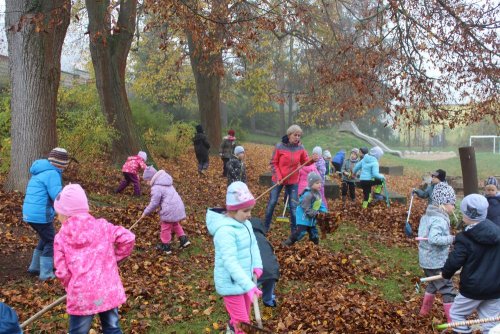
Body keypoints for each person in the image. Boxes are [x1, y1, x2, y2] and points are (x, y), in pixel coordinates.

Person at [53, 184, 135, 334]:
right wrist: (116, 257)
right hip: (107, 290)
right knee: (112, 328)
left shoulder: (61, 238)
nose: (57, 217)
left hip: (81, 296)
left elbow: (62, 271)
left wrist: (70, 285)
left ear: (65, 214)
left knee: (78, 331)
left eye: (58, 213)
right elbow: (128, 238)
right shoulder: (102, 226)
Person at [206, 182, 263, 334]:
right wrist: (249, 285)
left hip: (245, 280)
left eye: (251, 210)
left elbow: (253, 246)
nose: (249, 214)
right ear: (232, 211)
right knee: (243, 324)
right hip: (231, 284)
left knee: (244, 318)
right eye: (246, 211)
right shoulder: (225, 232)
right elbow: (230, 263)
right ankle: (235, 329)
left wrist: (257, 265)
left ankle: (231, 327)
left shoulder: (245, 223)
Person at [442, 194, 500, 334]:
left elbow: (455, 260)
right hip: (496, 288)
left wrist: (445, 274)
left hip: (473, 289)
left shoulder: (465, 238)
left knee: (457, 315)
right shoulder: (498, 232)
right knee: (490, 322)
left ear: (466, 215)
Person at [23, 147, 69, 281]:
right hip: (40, 214)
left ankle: (35, 267)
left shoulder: (41, 170)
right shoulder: (52, 173)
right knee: (51, 240)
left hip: (30, 213)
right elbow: (57, 196)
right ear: (61, 164)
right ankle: (46, 273)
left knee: (45, 237)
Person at [264, 125, 318, 233]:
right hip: (278, 179)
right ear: (289, 135)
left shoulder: (300, 148)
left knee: (293, 206)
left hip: (293, 180)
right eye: (295, 135)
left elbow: (304, 161)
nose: (297, 137)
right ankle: (265, 226)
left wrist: (312, 160)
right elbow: (273, 163)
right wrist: (279, 177)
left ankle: (294, 230)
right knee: (273, 202)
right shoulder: (280, 146)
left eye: (299, 135)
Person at [417, 182, 457, 322]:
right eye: (452, 203)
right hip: (436, 262)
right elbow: (434, 239)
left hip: (427, 260)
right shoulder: (439, 219)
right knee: (448, 288)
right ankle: (454, 322)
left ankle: (423, 312)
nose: (454, 206)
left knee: (433, 284)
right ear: (444, 203)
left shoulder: (428, 215)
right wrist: (452, 239)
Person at [141, 166, 190, 254]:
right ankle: (184, 240)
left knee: (165, 227)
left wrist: (146, 212)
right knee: (175, 223)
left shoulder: (156, 187)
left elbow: (154, 203)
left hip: (169, 210)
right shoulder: (167, 182)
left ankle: (166, 246)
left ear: (151, 178)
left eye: (146, 181)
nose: (147, 183)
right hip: (178, 207)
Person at [283, 172, 327, 246]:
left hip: (311, 219)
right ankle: (287, 243)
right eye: (317, 183)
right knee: (300, 233)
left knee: (314, 234)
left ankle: (315, 247)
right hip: (303, 218)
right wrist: (315, 214)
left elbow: (320, 204)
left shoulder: (318, 194)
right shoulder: (308, 195)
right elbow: (306, 208)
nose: (319, 184)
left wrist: (325, 212)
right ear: (311, 184)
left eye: (320, 182)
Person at [250, 218, 280, 308]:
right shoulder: (264, 239)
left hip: (258, 270)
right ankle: (269, 301)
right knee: (269, 286)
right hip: (272, 270)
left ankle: (242, 306)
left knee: (248, 289)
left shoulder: (246, 238)